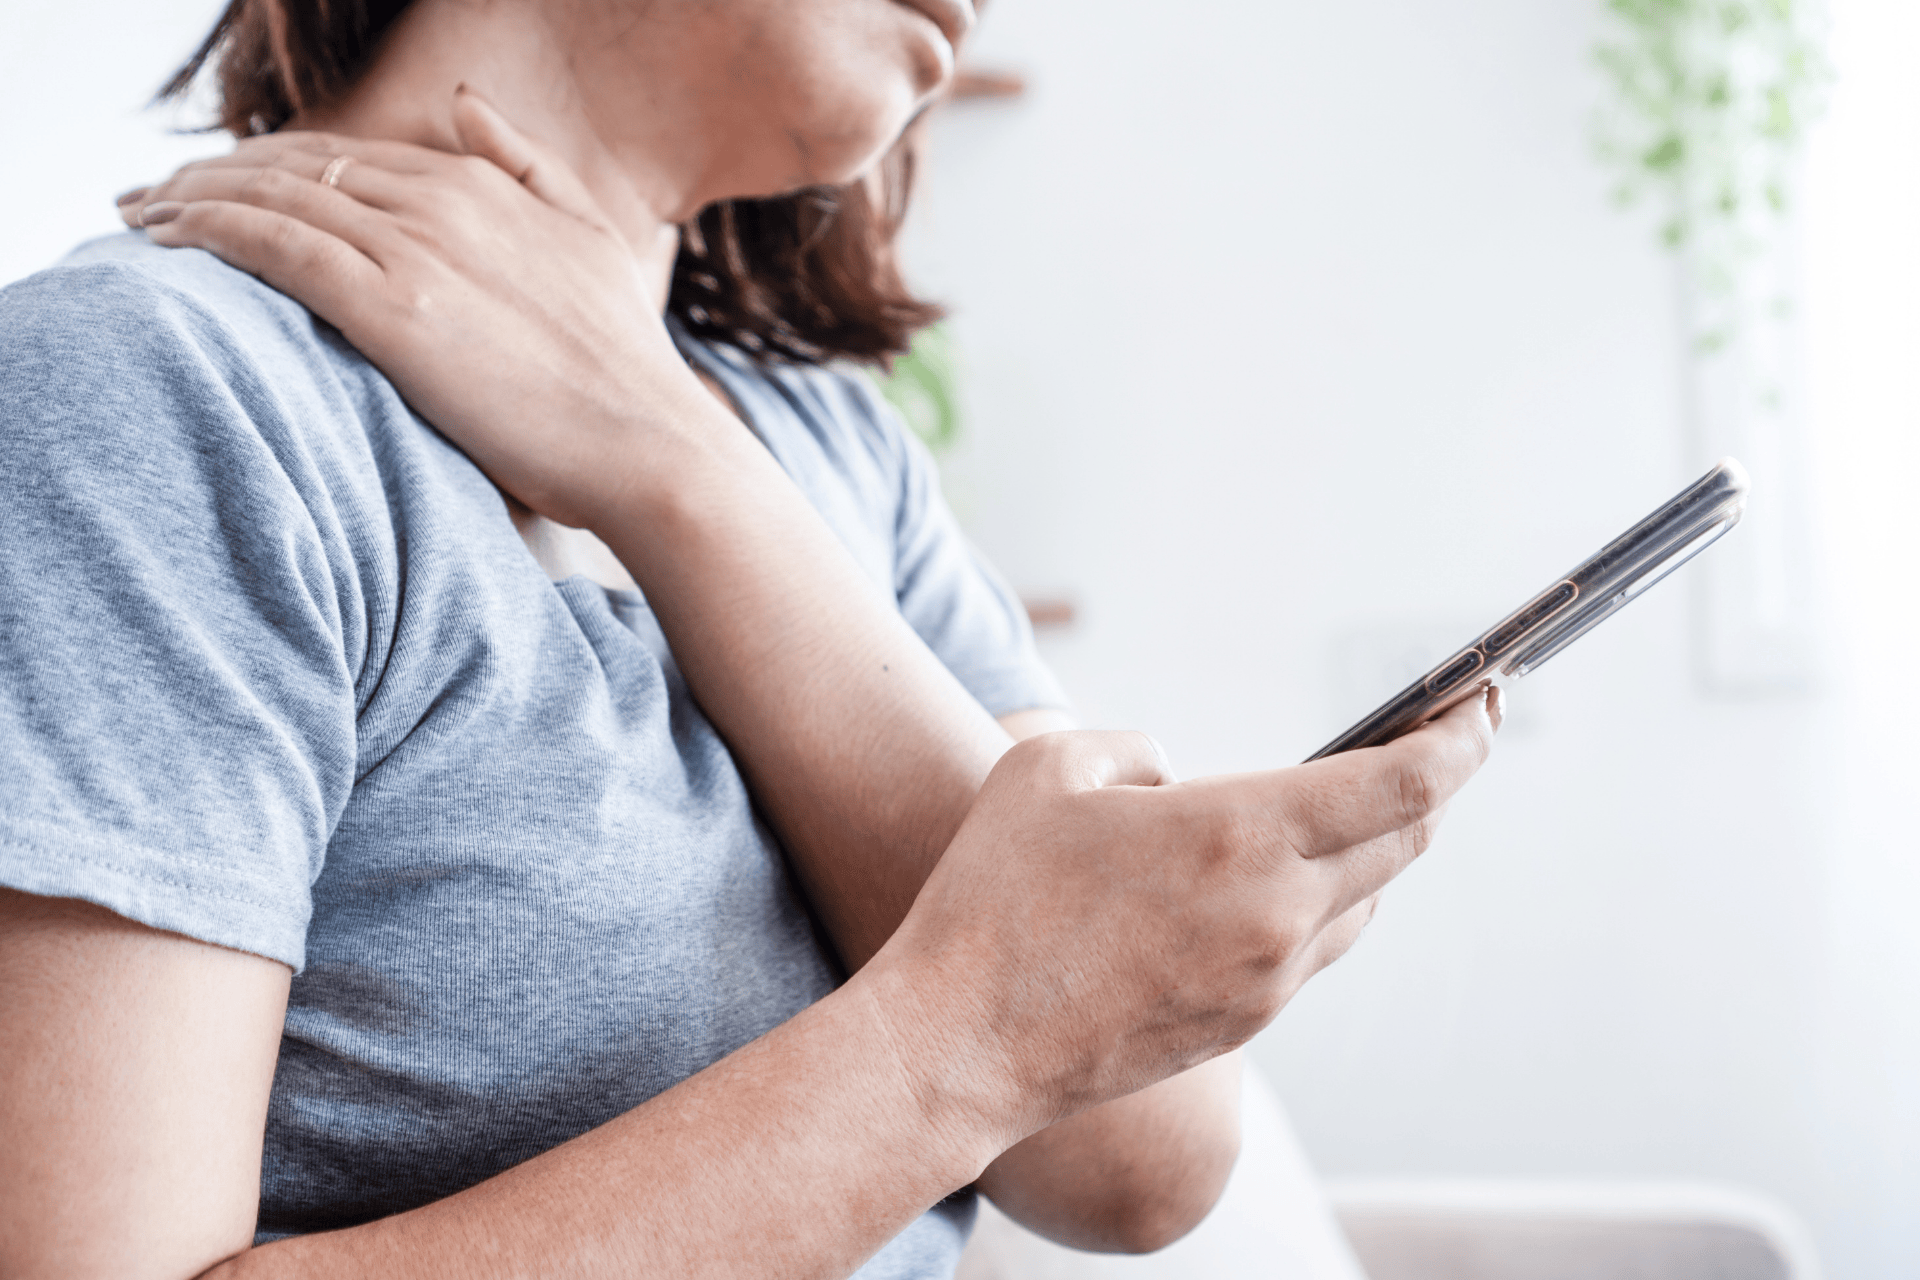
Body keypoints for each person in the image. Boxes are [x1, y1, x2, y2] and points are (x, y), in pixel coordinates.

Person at [0, 1, 1500, 1277]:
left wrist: (676, 467)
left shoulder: (824, 447)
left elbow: (1138, 1165)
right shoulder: (154, 390)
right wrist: (957, 1041)